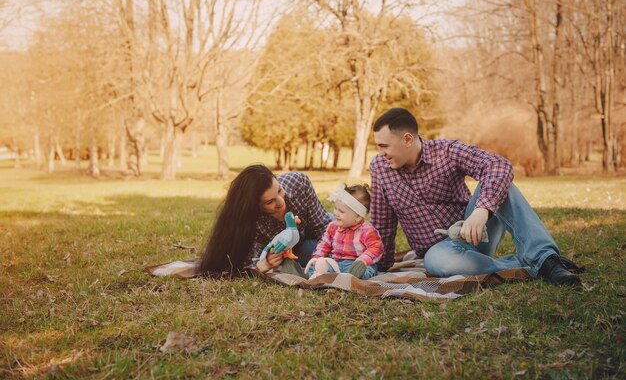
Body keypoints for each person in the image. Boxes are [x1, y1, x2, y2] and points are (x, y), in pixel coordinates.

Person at [369, 107, 581, 286]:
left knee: (500, 179)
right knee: (437, 262)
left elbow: (498, 165)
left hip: (475, 234)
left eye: (384, 146)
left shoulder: (447, 151)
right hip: (439, 252)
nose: (380, 153)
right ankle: (532, 266)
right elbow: (383, 225)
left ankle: (546, 258)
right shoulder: (380, 168)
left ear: (407, 139)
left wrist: (482, 210)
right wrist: (377, 265)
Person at [197, 164, 332, 276]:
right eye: (270, 202)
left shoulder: (299, 183)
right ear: (255, 207)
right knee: (308, 252)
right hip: (293, 252)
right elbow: (243, 261)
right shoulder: (249, 223)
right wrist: (265, 263)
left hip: (311, 229)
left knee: (340, 229)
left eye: (279, 190)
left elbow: (322, 225)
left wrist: (333, 247)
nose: (281, 202)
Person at [305, 184, 383, 280]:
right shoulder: (333, 227)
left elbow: (376, 248)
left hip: (356, 263)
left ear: (358, 217)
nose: (335, 213)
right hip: (336, 262)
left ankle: (353, 276)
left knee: (368, 271)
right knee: (317, 266)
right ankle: (319, 274)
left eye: (341, 211)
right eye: (336, 208)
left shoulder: (367, 230)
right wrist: (317, 257)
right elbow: (324, 243)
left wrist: (363, 260)